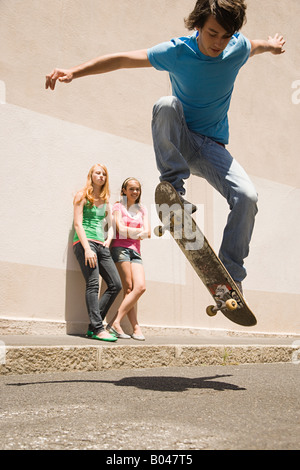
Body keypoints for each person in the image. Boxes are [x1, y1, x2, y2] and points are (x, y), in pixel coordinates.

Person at [46, 0, 286, 293]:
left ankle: (230, 277)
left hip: (212, 150)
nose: (219, 43)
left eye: (225, 36)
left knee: (248, 196)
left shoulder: (237, 48)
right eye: (212, 33)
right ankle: (173, 192)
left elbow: (256, 45)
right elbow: (122, 59)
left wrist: (272, 46)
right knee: (166, 104)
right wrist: (74, 72)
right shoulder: (176, 51)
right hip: (180, 138)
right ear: (198, 25)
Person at [73, 163, 122, 341]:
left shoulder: (106, 199)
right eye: (97, 173)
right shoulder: (82, 195)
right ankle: (98, 328)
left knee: (116, 285)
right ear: (91, 175)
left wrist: (108, 240)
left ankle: (94, 326)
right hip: (84, 243)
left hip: (102, 245)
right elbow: (78, 223)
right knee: (93, 284)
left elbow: (110, 225)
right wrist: (87, 249)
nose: (100, 176)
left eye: (103, 174)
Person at [107, 178, 150, 340]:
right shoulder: (118, 206)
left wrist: (131, 231)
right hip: (120, 249)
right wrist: (138, 232)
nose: (135, 192)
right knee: (129, 288)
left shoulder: (142, 209)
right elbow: (119, 228)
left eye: (137, 189)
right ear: (124, 190)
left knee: (140, 287)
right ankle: (136, 327)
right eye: (131, 189)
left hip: (135, 252)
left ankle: (114, 322)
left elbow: (149, 232)